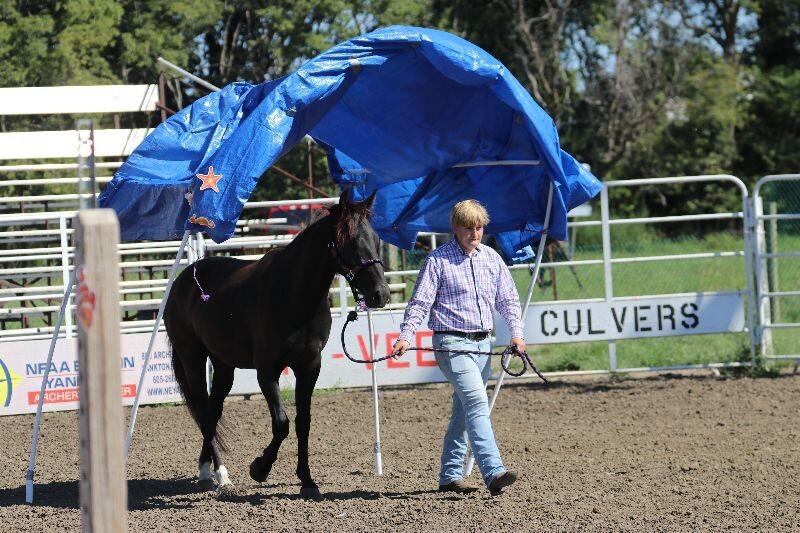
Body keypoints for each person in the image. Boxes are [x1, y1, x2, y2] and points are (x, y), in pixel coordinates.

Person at [392, 199, 526, 496]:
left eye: (478, 227)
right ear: (455, 228)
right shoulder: (437, 261)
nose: (474, 233)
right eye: (468, 228)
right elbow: (420, 303)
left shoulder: (492, 259)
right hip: (450, 343)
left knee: (464, 411)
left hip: (482, 344)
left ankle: (450, 475)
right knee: (477, 402)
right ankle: (493, 470)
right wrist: (406, 336)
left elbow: (508, 300)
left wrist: (516, 334)